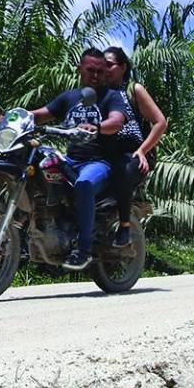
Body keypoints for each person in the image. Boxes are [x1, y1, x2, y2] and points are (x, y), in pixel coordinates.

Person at [30, 50, 143, 269]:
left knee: (84, 183)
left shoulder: (112, 96)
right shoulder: (69, 97)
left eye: (101, 71)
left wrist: (97, 127)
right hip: (71, 160)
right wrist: (10, 117)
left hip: (99, 163)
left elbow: (116, 121)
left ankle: (83, 249)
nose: (95, 75)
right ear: (79, 69)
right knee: (35, 163)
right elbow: (40, 114)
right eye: (90, 70)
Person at [102, 46, 168, 249]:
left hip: (134, 155)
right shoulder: (99, 93)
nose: (104, 69)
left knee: (124, 168)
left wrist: (142, 150)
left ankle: (124, 226)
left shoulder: (134, 90)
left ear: (122, 67)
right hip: (106, 154)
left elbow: (160, 122)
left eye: (109, 65)